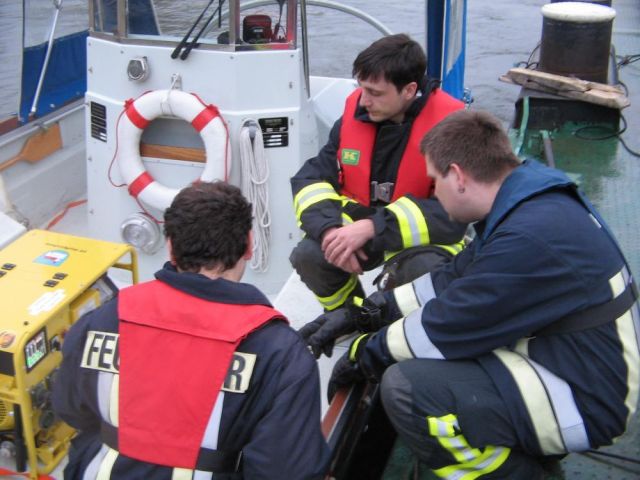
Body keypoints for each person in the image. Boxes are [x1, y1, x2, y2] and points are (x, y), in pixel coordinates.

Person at [327, 110, 640, 479]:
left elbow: (447, 327)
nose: (434, 192)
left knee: (409, 390)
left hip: (586, 398)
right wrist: (369, 312)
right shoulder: (528, 198)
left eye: (435, 181)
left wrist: (364, 353)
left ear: (458, 176)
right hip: (575, 358)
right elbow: (452, 277)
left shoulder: (526, 237)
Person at [52, 181, 329, 479]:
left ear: (170, 248)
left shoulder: (106, 318)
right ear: (249, 245)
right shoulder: (279, 353)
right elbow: (288, 470)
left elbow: (70, 409)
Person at [290, 33, 467, 320]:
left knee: (425, 271)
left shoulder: (452, 129)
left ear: (409, 90)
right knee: (309, 255)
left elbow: (453, 214)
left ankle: (398, 322)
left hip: (420, 240)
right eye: (362, 88)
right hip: (360, 228)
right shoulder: (355, 115)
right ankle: (347, 317)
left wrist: (374, 227)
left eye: (375, 93)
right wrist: (330, 231)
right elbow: (311, 179)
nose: (364, 100)